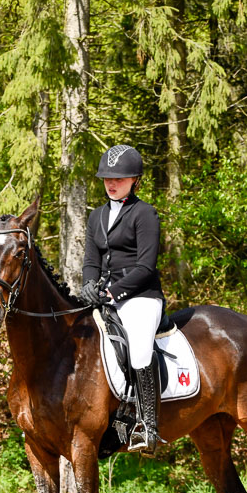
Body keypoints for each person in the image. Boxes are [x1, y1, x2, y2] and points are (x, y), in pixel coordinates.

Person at [80, 144, 165, 456]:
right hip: (105, 295)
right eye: (106, 179)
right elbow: (91, 261)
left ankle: (147, 425)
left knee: (140, 348)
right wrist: (89, 285)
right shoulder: (97, 217)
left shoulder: (145, 214)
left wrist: (113, 292)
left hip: (141, 296)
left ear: (135, 180)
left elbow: (146, 267)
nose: (111, 183)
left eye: (119, 178)